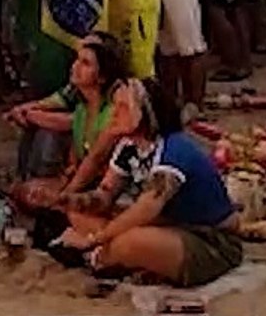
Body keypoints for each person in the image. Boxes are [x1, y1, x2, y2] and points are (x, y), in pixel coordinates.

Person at [53, 81, 242, 289]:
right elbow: (104, 196)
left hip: (209, 239)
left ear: (145, 112)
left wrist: (94, 239)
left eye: (123, 108)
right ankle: (115, 255)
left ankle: (98, 257)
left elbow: (146, 209)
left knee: (129, 241)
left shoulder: (173, 149)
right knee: (79, 214)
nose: (115, 114)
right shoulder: (129, 147)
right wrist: (67, 200)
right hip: (166, 225)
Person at [9, 34, 132, 209]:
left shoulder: (112, 112)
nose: (76, 67)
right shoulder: (82, 109)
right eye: (77, 60)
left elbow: (95, 159)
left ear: (102, 77)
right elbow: (75, 161)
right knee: (23, 191)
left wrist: (64, 195)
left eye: (85, 63)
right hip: (80, 181)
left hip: (107, 188)